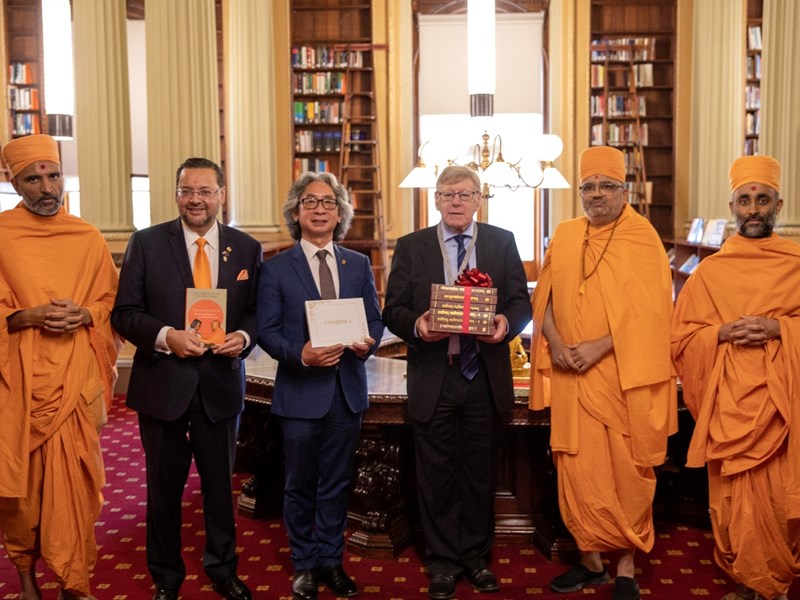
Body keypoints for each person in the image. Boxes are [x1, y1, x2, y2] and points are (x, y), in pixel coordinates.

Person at [529, 146, 677, 600]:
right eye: (588, 187)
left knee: (627, 470)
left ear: (624, 190)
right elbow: (546, 299)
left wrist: (597, 346)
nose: (596, 195)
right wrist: (554, 341)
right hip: (571, 376)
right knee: (575, 468)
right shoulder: (567, 233)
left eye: (606, 186)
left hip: (621, 376)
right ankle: (591, 562)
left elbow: (653, 313)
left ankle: (627, 565)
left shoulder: (642, 236)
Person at [111, 157, 261, 600]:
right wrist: (165, 336)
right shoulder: (147, 243)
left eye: (205, 191)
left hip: (220, 385)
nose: (196, 199)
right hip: (162, 385)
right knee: (162, 489)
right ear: (176, 194)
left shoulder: (247, 248)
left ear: (221, 194)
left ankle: (223, 567)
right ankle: (165, 575)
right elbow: (124, 313)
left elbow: (256, 311)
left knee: (219, 487)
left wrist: (244, 335)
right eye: (187, 191)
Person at [383, 165, 530, 599]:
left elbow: (521, 301)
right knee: (437, 474)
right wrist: (420, 325)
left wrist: (505, 323)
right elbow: (392, 309)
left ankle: (475, 559)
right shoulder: (412, 247)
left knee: (480, 473)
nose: (456, 202)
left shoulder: (502, 242)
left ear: (479, 199)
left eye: (465, 195)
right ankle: (443, 562)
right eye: (448, 195)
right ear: (436, 200)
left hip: (483, 376)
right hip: (435, 374)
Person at [671, 155, 800, 600]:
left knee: (778, 497)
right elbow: (681, 339)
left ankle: (774, 584)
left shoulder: (797, 263)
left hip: (784, 406)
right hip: (728, 404)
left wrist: (780, 328)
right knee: (732, 500)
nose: (752, 209)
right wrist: (721, 332)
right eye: (744, 200)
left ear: (778, 206)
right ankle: (749, 581)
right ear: (731, 206)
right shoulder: (710, 271)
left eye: (762, 200)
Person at [0, 134, 119, 600]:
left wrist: (86, 315)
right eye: (33, 178)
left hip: (74, 379)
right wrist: (25, 316)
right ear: (15, 183)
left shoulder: (86, 236)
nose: (47, 186)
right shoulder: (2, 235)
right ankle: (27, 581)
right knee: (22, 489)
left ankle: (74, 581)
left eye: (53, 174)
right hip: (18, 380)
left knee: (76, 484)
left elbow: (110, 302)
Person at [257, 171, 383, 600]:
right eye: (310, 202)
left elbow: (375, 319)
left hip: (346, 392)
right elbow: (268, 332)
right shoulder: (274, 268)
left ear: (340, 213)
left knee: (337, 482)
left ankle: (332, 560)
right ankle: (304, 564)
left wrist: (367, 344)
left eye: (328, 202)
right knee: (299, 484)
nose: (319, 209)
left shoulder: (358, 264)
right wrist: (301, 354)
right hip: (300, 392)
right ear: (296, 212)